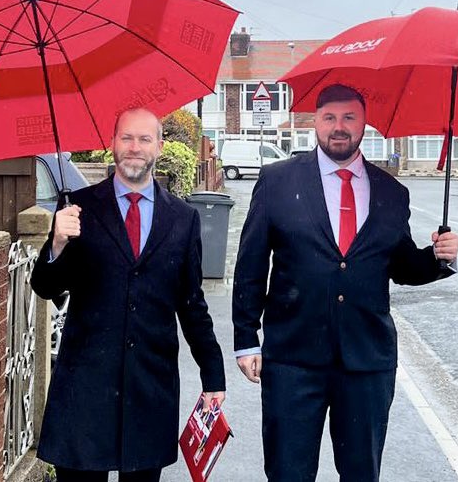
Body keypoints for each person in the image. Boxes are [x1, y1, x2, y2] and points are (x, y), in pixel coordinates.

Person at [232, 84, 458, 482]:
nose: (339, 127)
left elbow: (401, 266)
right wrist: (246, 337)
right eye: (330, 117)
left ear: (364, 123)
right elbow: (251, 264)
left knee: (361, 473)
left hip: (366, 362)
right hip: (292, 359)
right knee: (287, 472)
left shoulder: (392, 191)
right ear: (315, 122)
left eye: (349, 117)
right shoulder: (277, 181)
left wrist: (441, 257)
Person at [32, 108, 226, 482]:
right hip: (85, 389)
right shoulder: (78, 209)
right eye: (126, 138)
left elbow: (192, 304)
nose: (134, 148)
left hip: (149, 389)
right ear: (112, 143)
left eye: (144, 139)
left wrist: (213, 377)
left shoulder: (183, 219)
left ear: (159, 146)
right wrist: (56, 242)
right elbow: (45, 287)